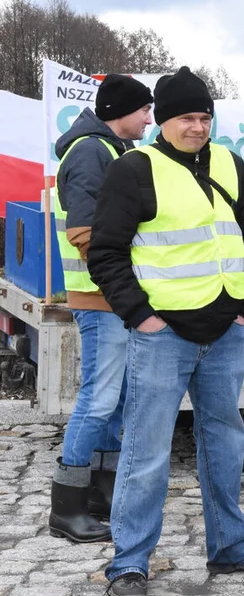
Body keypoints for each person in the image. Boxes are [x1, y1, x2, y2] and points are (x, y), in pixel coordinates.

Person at [88, 67, 244, 596]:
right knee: (146, 450)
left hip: (223, 331)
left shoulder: (229, 162)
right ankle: (129, 563)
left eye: (205, 117)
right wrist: (141, 317)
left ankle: (230, 545)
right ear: (162, 120)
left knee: (225, 441)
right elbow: (104, 252)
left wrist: (243, 303)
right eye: (187, 118)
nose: (198, 127)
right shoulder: (136, 169)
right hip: (163, 334)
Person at [49, 74, 153, 543]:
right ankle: (66, 506)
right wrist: (122, 285)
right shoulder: (92, 151)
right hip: (102, 295)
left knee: (116, 401)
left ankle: (101, 493)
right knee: (99, 399)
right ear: (118, 111)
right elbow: (87, 231)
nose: (150, 119)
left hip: (112, 296)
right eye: (144, 110)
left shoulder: (107, 149)